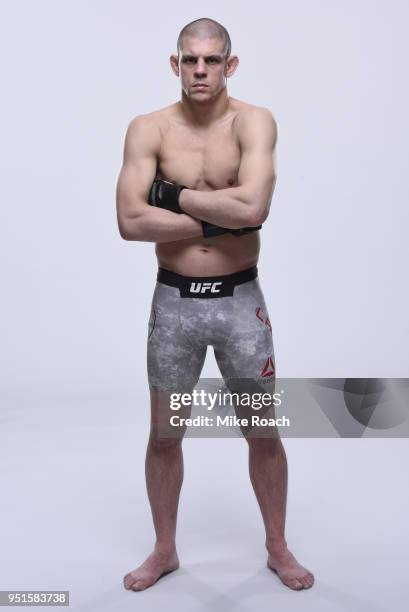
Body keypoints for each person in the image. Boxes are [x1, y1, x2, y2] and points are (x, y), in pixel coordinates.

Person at [116, 17, 314, 592]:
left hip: (239, 303)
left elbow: (254, 208)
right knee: (165, 435)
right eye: (189, 60)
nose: (199, 70)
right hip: (174, 304)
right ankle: (164, 550)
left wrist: (169, 195)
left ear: (229, 65)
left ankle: (277, 546)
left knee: (263, 432)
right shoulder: (146, 129)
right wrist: (218, 212)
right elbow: (130, 221)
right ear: (174, 64)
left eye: (211, 60)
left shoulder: (254, 122)